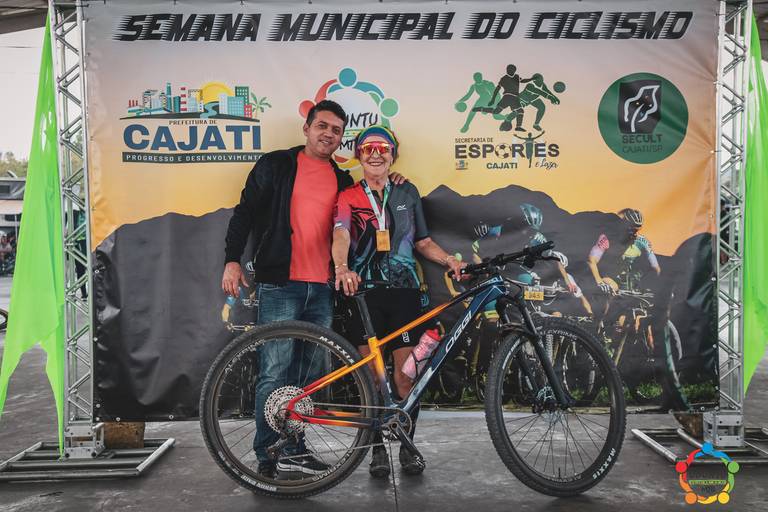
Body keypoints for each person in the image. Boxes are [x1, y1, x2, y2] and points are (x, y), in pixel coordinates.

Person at [331, 125, 465, 478]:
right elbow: (341, 233)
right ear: (359, 155)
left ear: (393, 154)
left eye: (383, 148)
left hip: (405, 293)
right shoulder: (348, 196)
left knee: (405, 378)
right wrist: (342, 267)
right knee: (373, 382)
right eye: (368, 148)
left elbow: (422, 242)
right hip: (364, 295)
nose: (376, 154)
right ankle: (376, 451)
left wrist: (450, 260)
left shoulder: (407, 192)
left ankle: (407, 446)